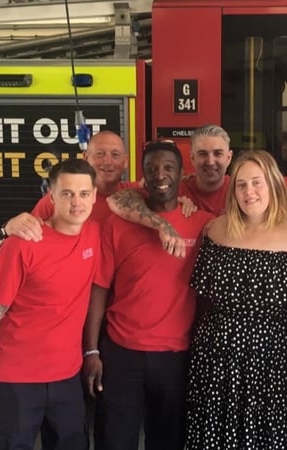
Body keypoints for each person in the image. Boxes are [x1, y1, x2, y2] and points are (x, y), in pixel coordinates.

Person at [0, 158, 99, 449]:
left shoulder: (93, 234)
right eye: (67, 193)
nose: (77, 202)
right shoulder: (21, 244)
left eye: (84, 193)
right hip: (15, 382)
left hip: (66, 380)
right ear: (50, 196)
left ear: (95, 196)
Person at [83, 140, 213, 450]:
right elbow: (99, 288)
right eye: (152, 168)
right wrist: (91, 351)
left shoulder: (203, 224)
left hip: (177, 357)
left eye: (169, 167)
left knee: (168, 440)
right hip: (121, 353)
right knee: (114, 440)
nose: (160, 174)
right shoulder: (118, 224)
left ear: (182, 174)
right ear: (141, 175)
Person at [186, 150, 287, 449]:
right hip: (217, 357)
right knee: (217, 431)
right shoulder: (215, 230)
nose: (249, 192)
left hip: (275, 359)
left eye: (257, 182)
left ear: (273, 185)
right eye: (241, 185)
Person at [3, 130, 189, 257]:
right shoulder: (58, 201)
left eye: (115, 155)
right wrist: (8, 227)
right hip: (74, 299)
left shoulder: (137, 193)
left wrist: (185, 201)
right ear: (86, 157)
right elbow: (21, 240)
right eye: (100, 154)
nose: (107, 162)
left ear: (126, 162)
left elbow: (166, 195)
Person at [107, 124, 233, 228]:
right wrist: (162, 222)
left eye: (218, 154)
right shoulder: (169, 187)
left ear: (228, 158)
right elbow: (114, 200)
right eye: (202, 154)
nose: (210, 162)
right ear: (192, 158)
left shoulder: (240, 190)